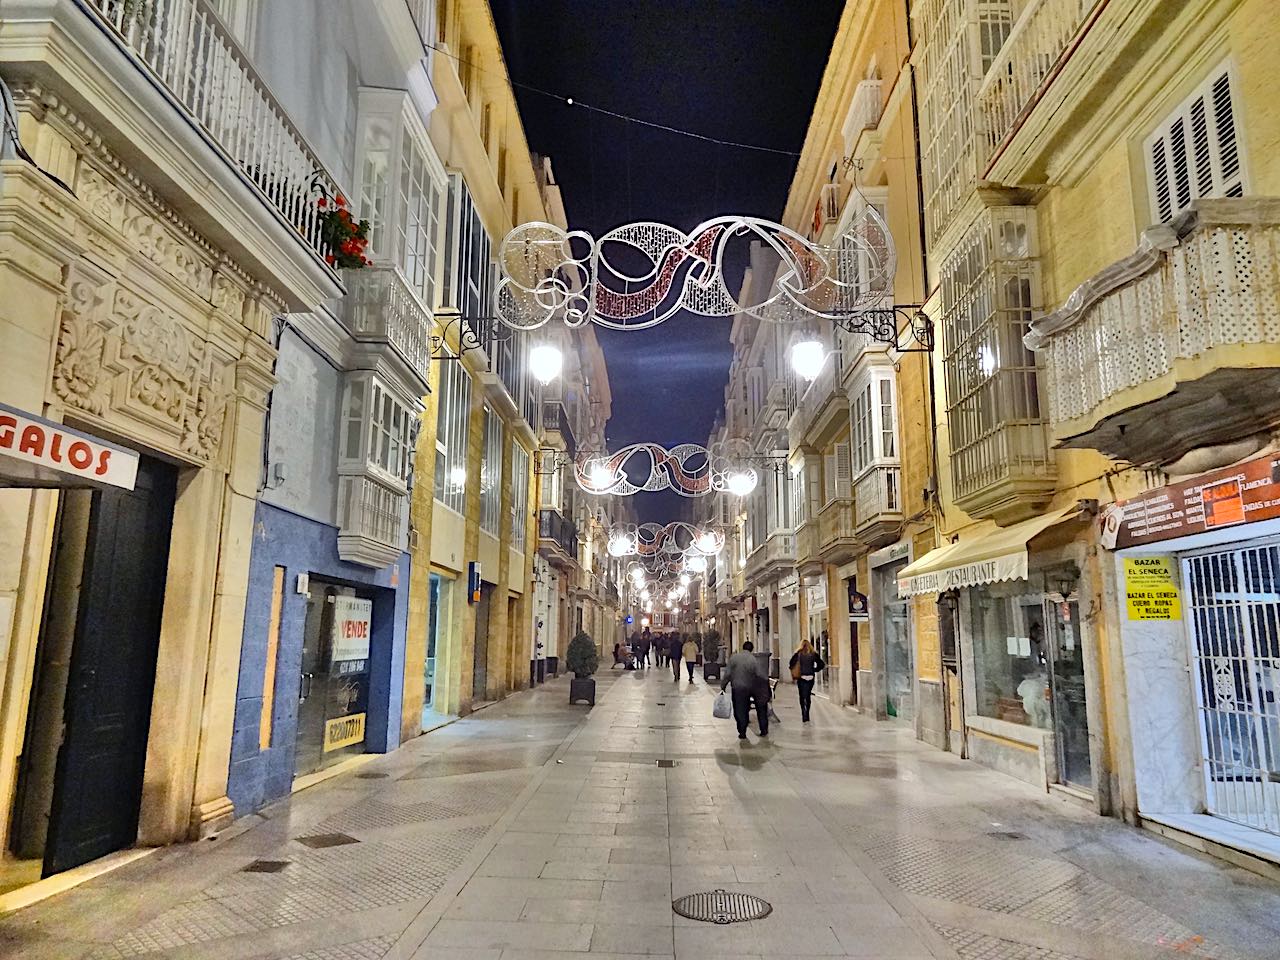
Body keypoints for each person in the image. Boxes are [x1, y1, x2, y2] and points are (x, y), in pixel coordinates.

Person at [721, 641, 769, 739]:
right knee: (749, 708)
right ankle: (763, 729)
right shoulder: (753, 660)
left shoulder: (734, 658)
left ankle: (742, 730)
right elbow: (760, 675)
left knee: (739, 709)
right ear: (751, 649)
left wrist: (723, 685)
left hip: (737, 688)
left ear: (742, 648)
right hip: (750, 688)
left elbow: (727, 674)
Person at [788, 638, 826, 723]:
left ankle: (803, 714)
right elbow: (822, 664)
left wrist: (795, 670)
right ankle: (807, 713)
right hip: (810, 677)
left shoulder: (798, 654)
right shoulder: (813, 654)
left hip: (801, 677)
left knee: (802, 696)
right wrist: (814, 670)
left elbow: (790, 664)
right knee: (808, 696)